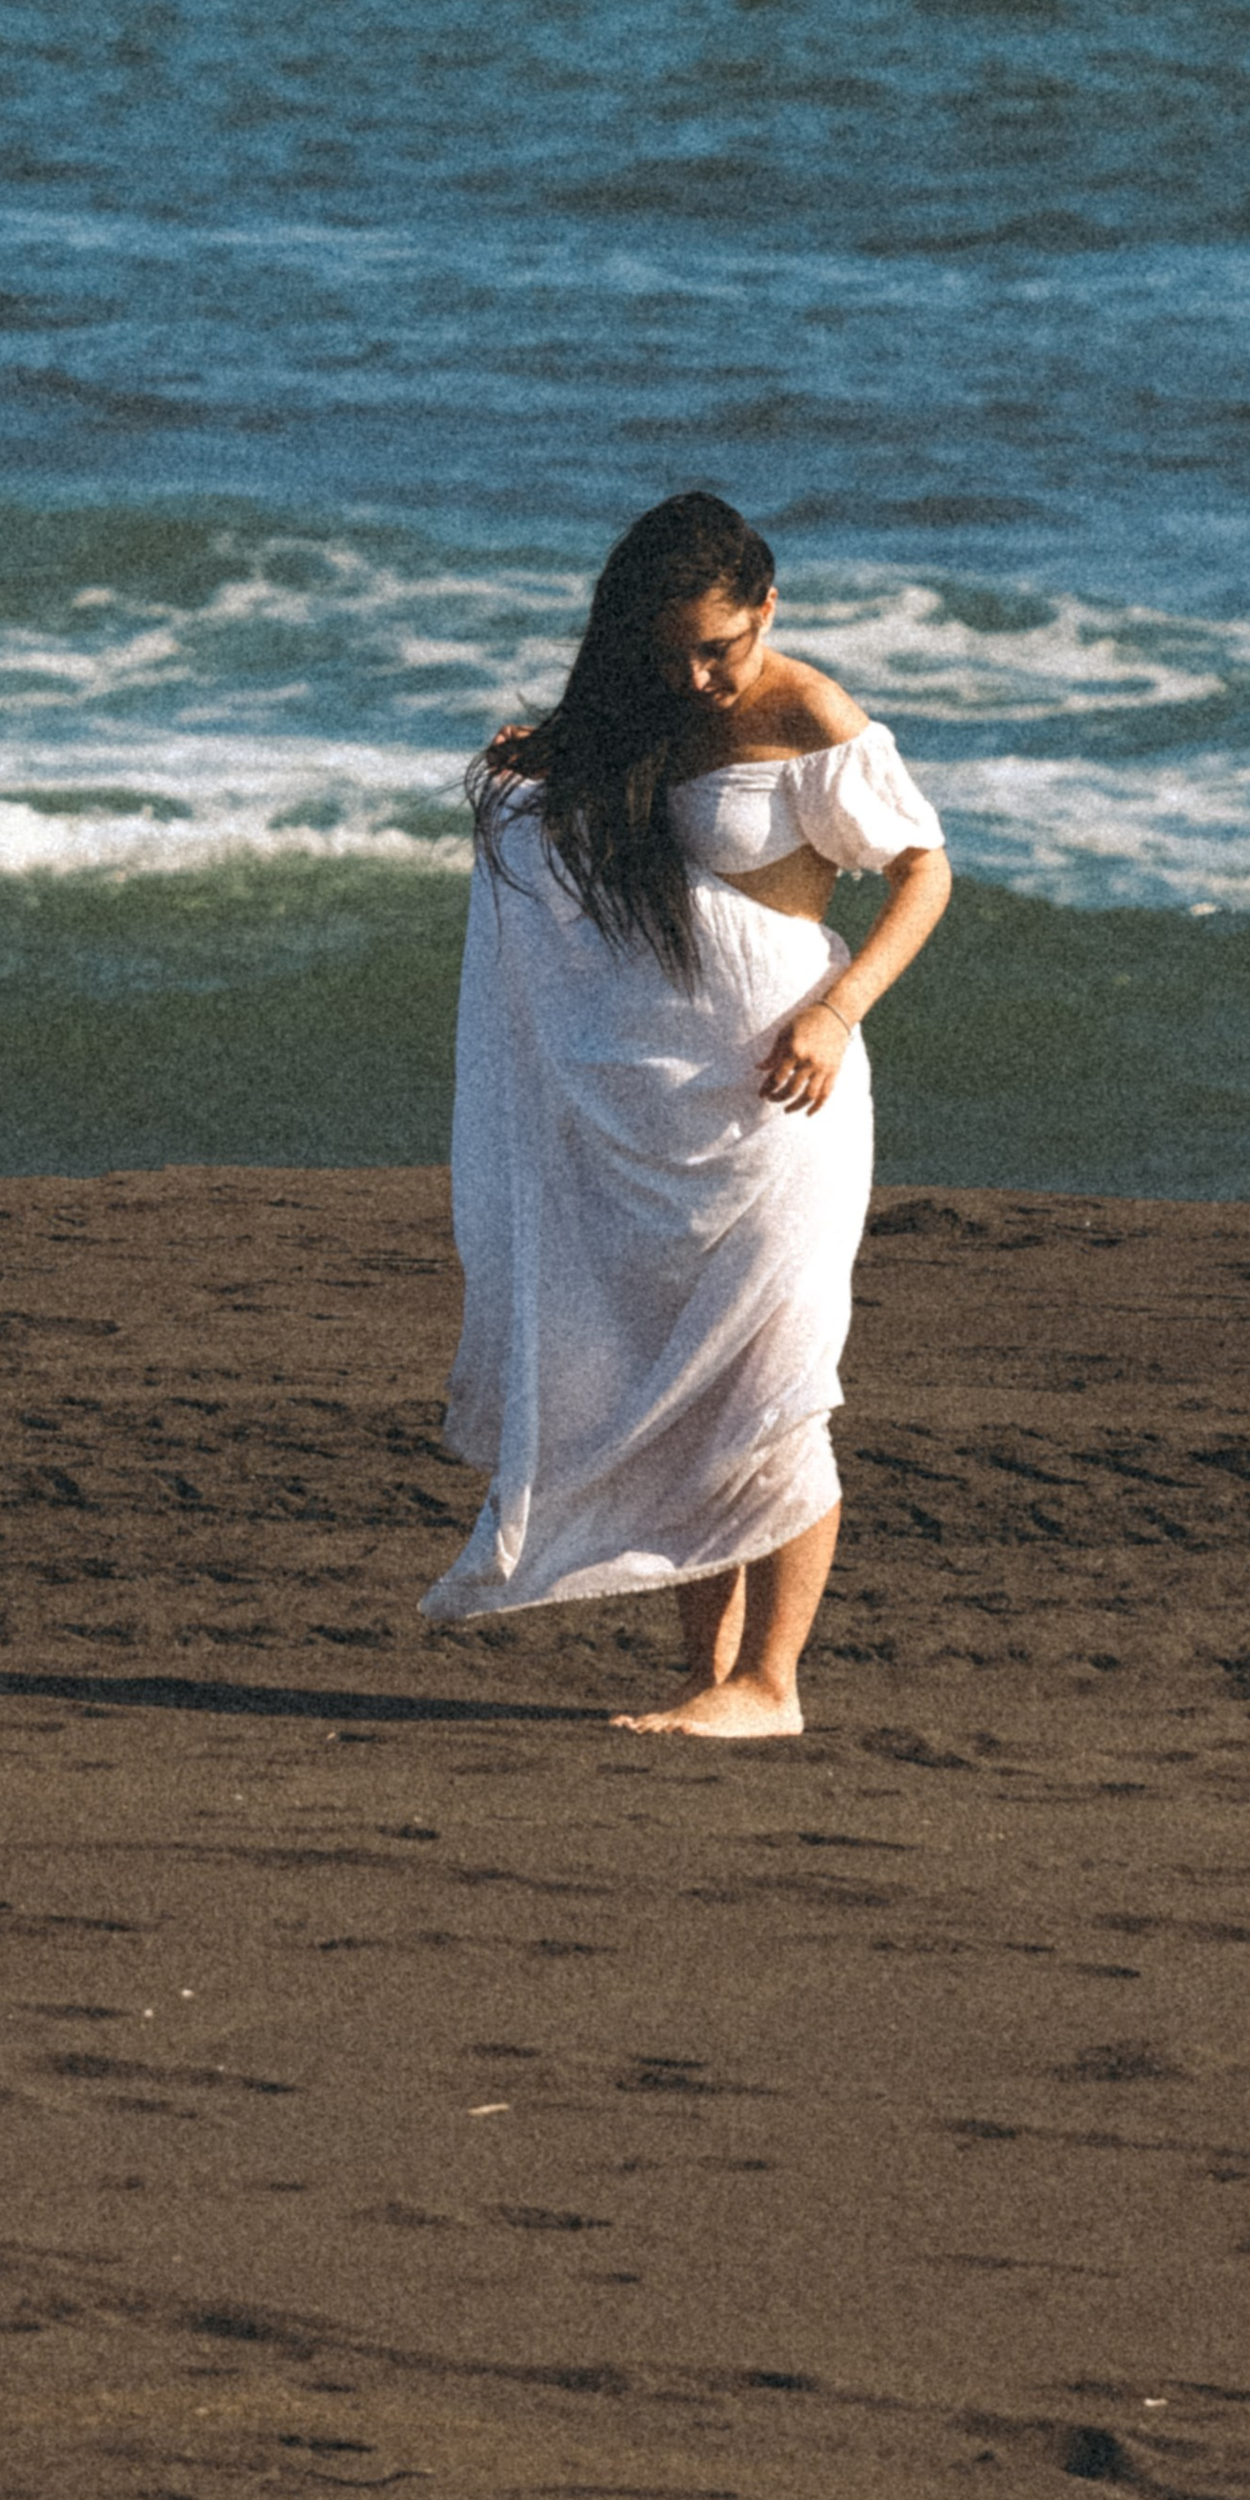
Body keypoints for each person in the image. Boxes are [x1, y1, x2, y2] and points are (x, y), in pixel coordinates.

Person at [420, 491, 951, 1737]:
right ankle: (709, 1672)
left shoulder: (810, 713)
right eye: (673, 653)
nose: (702, 677)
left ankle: (772, 1684)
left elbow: (923, 867)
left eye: (722, 644)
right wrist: (543, 764)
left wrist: (840, 1009)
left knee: (776, 1379)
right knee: (682, 1378)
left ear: (768, 605)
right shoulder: (644, 709)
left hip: (785, 1100)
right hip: (654, 1110)